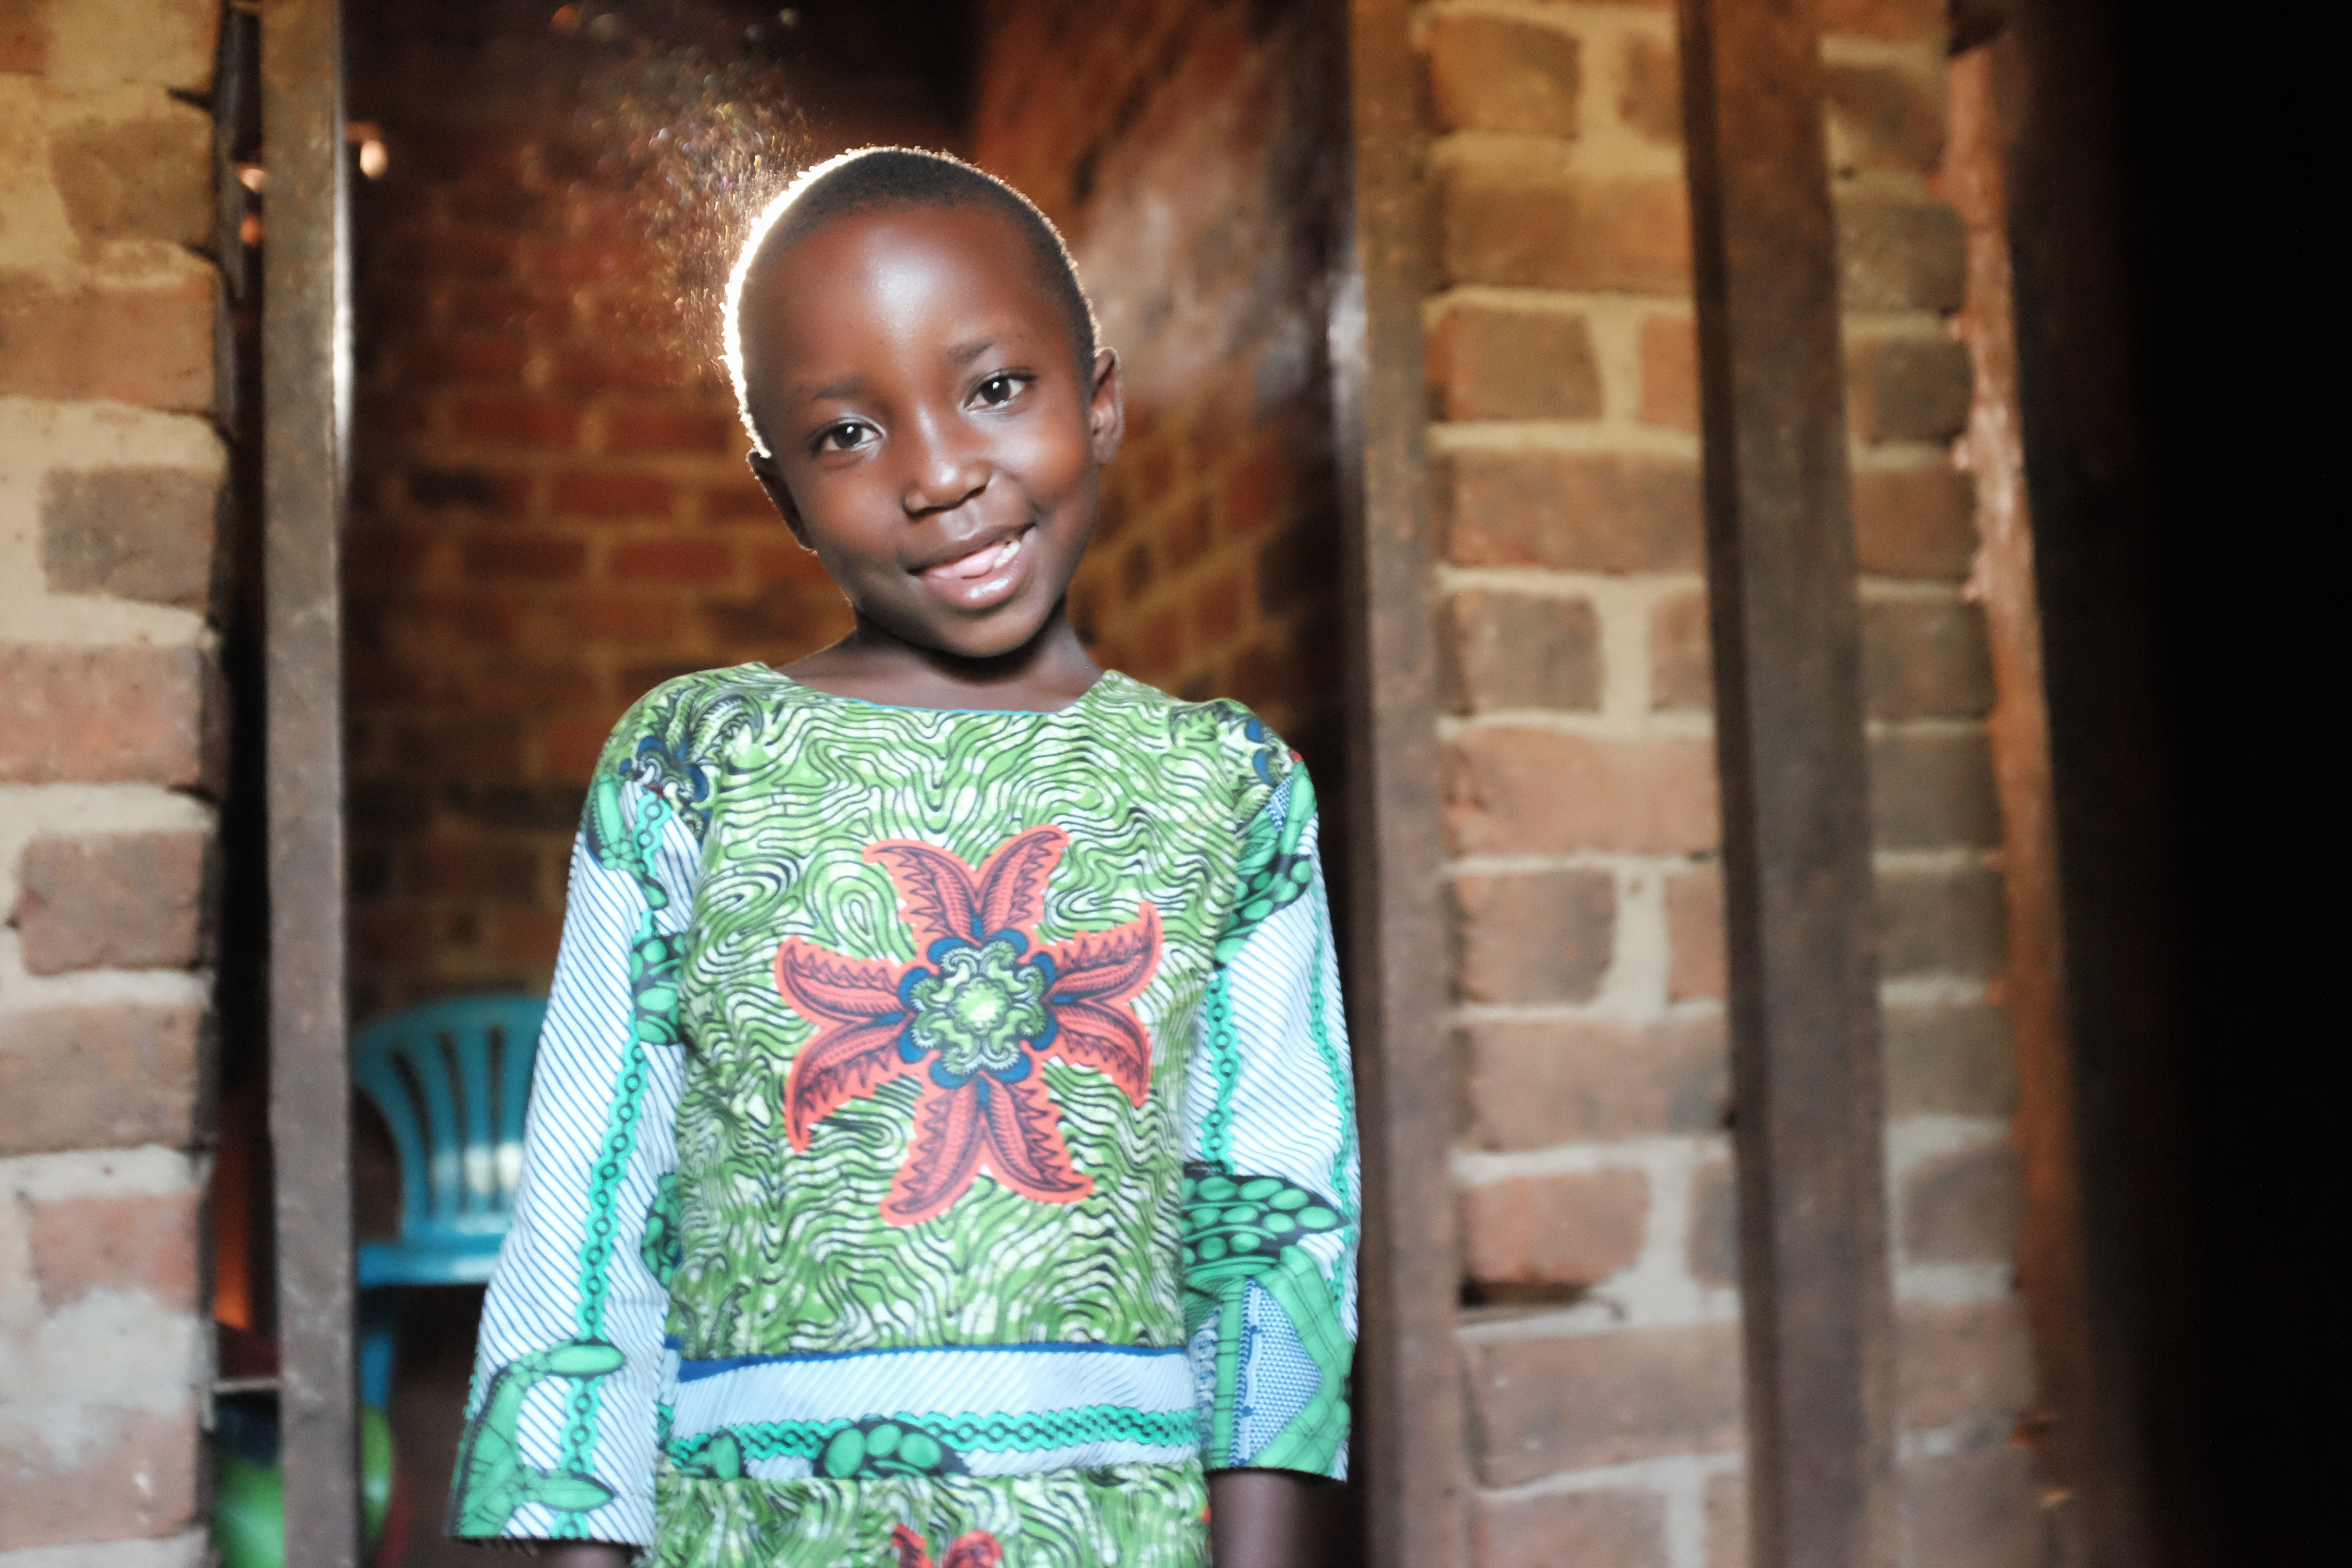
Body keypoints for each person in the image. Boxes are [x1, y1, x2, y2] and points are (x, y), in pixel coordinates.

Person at [445, 147, 1359, 1568]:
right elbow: (589, 1206)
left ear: (1100, 402)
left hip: (1121, 1535)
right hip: (749, 1533)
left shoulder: (1225, 788)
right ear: (781, 495)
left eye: (997, 389)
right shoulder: (696, 767)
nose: (940, 474)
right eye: (848, 436)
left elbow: (1276, 1227)